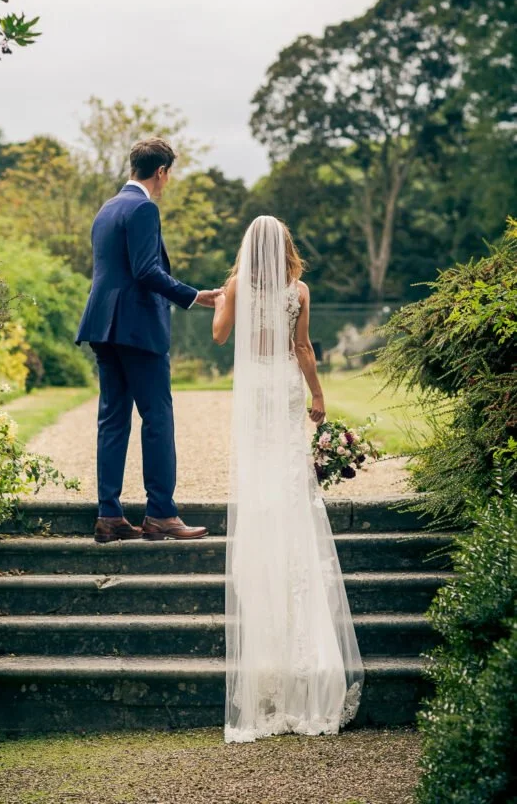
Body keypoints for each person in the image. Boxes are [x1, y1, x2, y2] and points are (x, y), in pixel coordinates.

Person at [212, 215, 363, 743]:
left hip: (255, 394)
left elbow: (219, 333)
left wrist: (223, 298)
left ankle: (267, 668)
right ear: (286, 248)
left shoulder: (233, 287)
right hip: (285, 388)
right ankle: (309, 667)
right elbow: (302, 348)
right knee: (292, 486)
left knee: (259, 487)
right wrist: (318, 394)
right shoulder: (299, 289)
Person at [76, 137, 221, 543]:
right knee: (157, 417)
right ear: (161, 171)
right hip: (137, 329)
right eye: (169, 173)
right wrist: (194, 295)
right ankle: (160, 514)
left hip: (103, 327)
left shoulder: (107, 209)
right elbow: (145, 271)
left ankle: (110, 515)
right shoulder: (143, 208)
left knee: (112, 419)